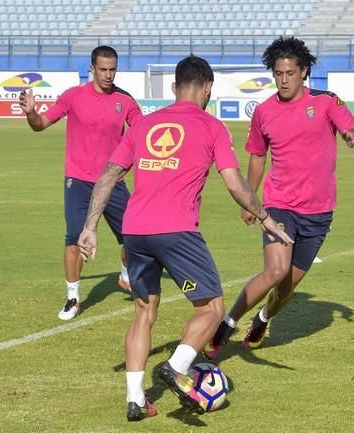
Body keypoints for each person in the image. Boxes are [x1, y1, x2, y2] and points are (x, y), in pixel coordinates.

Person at [76, 55, 292, 421]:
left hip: (135, 231)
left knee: (144, 312)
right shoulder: (212, 126)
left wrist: (90, 227)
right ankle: (177, 366)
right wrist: (266, 218)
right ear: (208, 88)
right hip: (176, 231)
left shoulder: (144, 125)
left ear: (174, 88)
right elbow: (235, 184)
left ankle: (135, 400)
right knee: (211, 308)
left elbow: (108, 175)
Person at [204, 36, 354, 359]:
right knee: (275, 271)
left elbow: (350, 127)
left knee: (287, 288)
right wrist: (250, 201)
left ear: (304, 72)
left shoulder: (327, 101)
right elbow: (258, 157)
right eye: (278, 73)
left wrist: (350, 135)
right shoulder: (263, 112)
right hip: (279, 206)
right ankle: (227, 323)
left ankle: (262, 319)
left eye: (290, 73)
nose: (284, 79)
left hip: (319, 212)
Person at [19, 45, 142, 321]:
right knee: (74, 237)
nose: (108, 75)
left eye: (112, 69)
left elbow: (143, 135)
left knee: (134, 235)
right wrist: (30, 113)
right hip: (78, 180)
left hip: (113, 181)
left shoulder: (126, 101)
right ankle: (73, 297)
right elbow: (40, 124)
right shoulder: (73, 96)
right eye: (103, 69)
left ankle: (125, 276)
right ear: (92, 69)